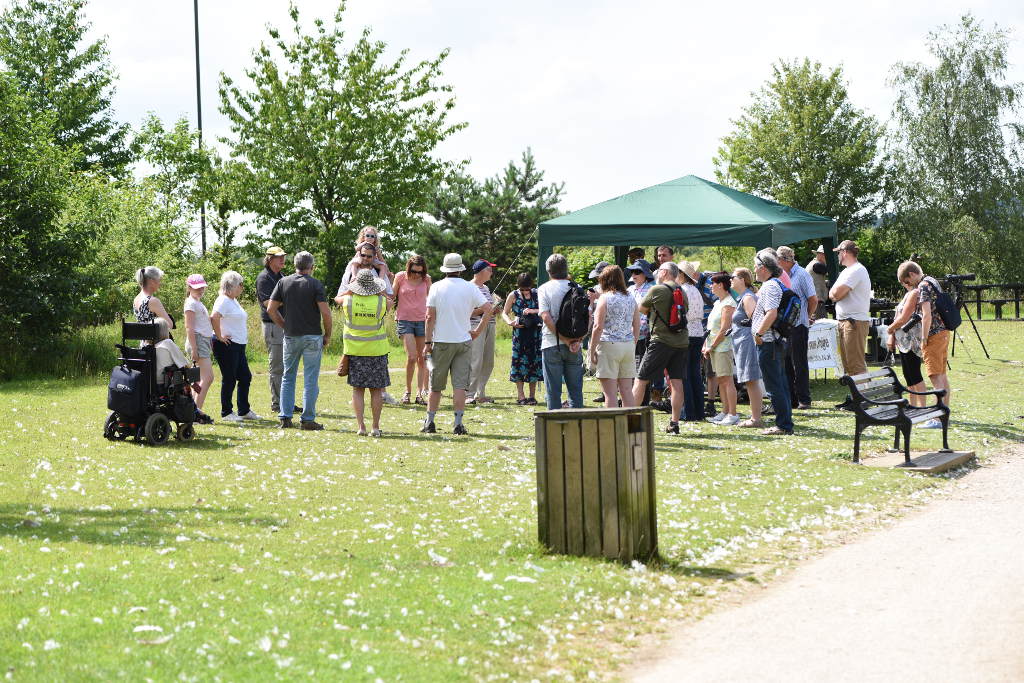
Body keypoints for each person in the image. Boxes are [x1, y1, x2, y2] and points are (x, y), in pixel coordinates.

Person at [421, 253, 494, 435]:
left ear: (445, 269)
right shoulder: (469, 287)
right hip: (464, 340)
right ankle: (458, 423)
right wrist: (477, 331)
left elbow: (429, 317)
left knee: (435, 386)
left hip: (441, 341)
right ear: (460, 269)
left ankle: (430, 422)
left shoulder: (437, 287)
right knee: (460, 386)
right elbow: (488, 309)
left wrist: (427, 341)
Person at [270, 251, 332, 430]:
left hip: (290, 336)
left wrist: (284, 325)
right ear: (312, 267)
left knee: (288, 377)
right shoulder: (315, 284)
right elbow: (326, 313)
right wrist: (327, 335)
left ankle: (285, 417)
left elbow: (271, 309)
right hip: (312, 336)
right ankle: (307, 419)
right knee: (310, 379)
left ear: (295, 266)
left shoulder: (283, 282)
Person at [631, 261, 688, 433]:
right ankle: (674, 423)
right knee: (676, 382)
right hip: (682, 341)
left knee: (641, 379)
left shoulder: (657, 289)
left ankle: (631, 421)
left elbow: (641, 308)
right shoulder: (682, 291)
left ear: (664, 272)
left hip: (661, 341)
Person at [338, 268, 391, 436]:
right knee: (376, 390)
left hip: (355, 351)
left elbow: (337, 298)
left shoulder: (348, 300)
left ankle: (361, 427)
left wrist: (349, 289)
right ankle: (375, 427)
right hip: (377, 351)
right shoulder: (381, 302)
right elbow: (390, 300)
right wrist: (381, 291)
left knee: (358, 390)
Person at [897, 261, 951, 424]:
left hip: (933, 335)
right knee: (942, 376)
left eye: (906, 281)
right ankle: (944, 415)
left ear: (912, 275)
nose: (908, 285)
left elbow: (926, 315)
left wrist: (924, 338)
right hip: (944, 332)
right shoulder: (933, 281)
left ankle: (937, 418)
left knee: (935, 378)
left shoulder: (923, 286)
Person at [751, 249, 794, 435]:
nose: (754, 270)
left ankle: (783, 425)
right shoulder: (775, 284)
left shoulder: (769, 287)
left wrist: (759, 334)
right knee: (781, 382)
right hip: (775, 341)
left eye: (755, 266)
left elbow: (771, 313)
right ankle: (785, 421)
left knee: (773, 384)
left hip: (768, 341)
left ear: (763, 268)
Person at [538, 253, 588, 410]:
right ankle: (578, 426)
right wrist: (578, 340)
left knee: (553, 391)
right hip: (575, 344)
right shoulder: (577, 287)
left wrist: (563, 339)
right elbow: (588, 317)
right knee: (575, 391)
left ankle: (554, 429)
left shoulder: (544, 289)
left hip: (552, 343)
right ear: (566, 269)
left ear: (548, 271)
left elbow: (546, 317)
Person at [210, 271, 260, 423]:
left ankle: (243, 410)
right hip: (226, 345)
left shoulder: (233, 300)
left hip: (238, 345)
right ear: (232, 286)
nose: (242, 287)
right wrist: (219, 336)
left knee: (245, 376)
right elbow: (214, 317)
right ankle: (226, 412)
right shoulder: (223, 300)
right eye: (240, 284)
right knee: (229, 378)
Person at [588, 265, 639, 408]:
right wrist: (632, 343)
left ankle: (612, 429)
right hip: (628, 345)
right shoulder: (631, 297)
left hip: (609, 345)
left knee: (610, 394)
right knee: (627, 391)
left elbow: (598, 327)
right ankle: (631, 427)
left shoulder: (605, 298)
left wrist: (592, 351)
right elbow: (637, 324)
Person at [778, 246, 818, 409]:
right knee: (786, 362)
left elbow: (813, 299)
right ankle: (792, 399)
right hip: (786, 326)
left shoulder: (802, 274)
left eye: (778, 261)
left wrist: (806, 316)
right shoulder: (782, 275)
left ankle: (804, 399)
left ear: (784, 261)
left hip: (799, 325)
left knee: (799, 363)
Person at [392, 255, 431, 404]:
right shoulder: (400, 277)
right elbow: (392, 296)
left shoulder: (426, 279)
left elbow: (432, 298)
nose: (417, 275)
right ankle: (407, 392)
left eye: (420, 272)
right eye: (414, 271)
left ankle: (419, 393)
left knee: (422, 358)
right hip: (405, 320)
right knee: (412, 357)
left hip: (422, 320)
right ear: (409, 268)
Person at [829, 239, 871, 377]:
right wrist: (835, 294)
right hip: (847, 321)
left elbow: (835, 293)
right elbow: (832, 294)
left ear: (845, 252)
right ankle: (857, 397)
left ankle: (863, 397)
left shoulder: (857, 270)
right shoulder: (847, 271)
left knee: (856, 366)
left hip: (854, 322)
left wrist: (835, 294)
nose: (837, 256)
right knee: (849, 366)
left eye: (839, 252)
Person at [730, 268, 765, 427]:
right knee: (749, 380)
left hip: (748, 342)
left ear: (743, 279)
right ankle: (755, 416)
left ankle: (756, 418)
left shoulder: (748, 297)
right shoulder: (743, 297)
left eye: (733, 277)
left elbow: (756, 321)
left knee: (751, 380)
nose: (730, 279)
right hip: (741, 342)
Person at [502, 272, 543, 405]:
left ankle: (532, 396)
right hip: (520, 334)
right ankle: (521, 396)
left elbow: (544, 309)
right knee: (518, 364)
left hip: (536, 334)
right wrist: (510, 322)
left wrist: (532, 311)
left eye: (527, 289)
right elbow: (504, 312)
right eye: (523, 289)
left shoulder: (537, 293)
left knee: (534, 363)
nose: (526, 292)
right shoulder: (513, 295)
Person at [256, 246, 288, 415]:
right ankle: (277, 404)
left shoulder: (281, 276)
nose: (282, 259)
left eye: (283, 256)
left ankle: (286, 401)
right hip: (272, 326)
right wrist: (289, 298)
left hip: (283, 324)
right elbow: (268, 304)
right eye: (278, 257)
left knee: (286, 366)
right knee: (276, 367)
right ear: (269, 259)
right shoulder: (264, 278)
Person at [886, 276, 926, 408]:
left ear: (906, 280)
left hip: (912, 341)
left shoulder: (915, 293)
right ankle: (913, 405)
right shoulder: (908, 294)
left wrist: (890, 329)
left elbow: (904, 318)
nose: (902, 284)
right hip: (903, 341)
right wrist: (892, 335)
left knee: (915, 374)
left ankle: (922, 407)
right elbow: (898, 317)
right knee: (908, 375)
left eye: (902, 281)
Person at [703, 273, 738, 425]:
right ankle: (725, 411)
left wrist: (711, 346)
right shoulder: (718, 302)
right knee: (720, 379)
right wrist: (707, 345)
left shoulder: (728, 303)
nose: (711, 286)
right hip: (714, 346)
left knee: (727, 380)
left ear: (721, 285)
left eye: (713, 283)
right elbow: (712, 328)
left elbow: (724, 329)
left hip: (723, 347)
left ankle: (733, 413)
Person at [678, 261, 708, 421]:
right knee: (695, 374)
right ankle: (699, 411)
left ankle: (688, 412)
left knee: (685, 374)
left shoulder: (682, 290)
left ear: (682, 275)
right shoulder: (696, 290)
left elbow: (683, 314)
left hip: (687, 333)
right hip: (698, 333)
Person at [182, 274, 215, 423]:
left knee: (202, 379)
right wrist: (194, 348)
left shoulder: (197, 302)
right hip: (197, 341)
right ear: (189, 288)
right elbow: (189, 327)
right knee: (208, 377)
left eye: (202, 287)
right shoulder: (190, 303)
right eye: (197, 288)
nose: (201, 290)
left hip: (203, 340)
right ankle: (196, 413)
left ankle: (194, 410)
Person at [467, 259, 499, 404]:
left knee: (488, 361)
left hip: (490, 325)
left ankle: (481, 394)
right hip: (475, 326)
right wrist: (486, 309)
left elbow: (489, 310)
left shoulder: (485, 288)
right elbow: (467, 313)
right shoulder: (468, 287)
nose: (491, 273)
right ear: (481, 272)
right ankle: (469, 394)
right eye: (489, 270)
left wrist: (494, 310)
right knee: (476, 360)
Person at [625, 259, 656, 399]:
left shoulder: (651, 288)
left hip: (644, 336)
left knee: (642, 370)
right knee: (630, 369)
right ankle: (631, 397)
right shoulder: (629, 289)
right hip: (629, 336)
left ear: (645, 274)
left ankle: (642, 400)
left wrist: (636, 332)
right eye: (632, 271)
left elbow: (645, 314)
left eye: (637, 271)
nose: (633, 274)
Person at [338, 226, 394, 295]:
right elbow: (356, 249)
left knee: (382, 266)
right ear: (363, 236)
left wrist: (386, 271)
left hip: (374, 262)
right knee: (354, 263)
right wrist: (364, 244)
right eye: (367, 235)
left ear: (375, 238)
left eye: (372, 236)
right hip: (358, 260)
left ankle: (380, 279)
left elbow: (381, 260)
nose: (369, 238)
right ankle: (354, 276)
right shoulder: (362, 245)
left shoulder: (376, 248)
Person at [806, 245, 829, 320]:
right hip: (817, 304)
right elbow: (832, 272)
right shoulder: (817, 265)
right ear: (822, 255)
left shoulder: (814, 264)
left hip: (813, 302)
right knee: (823, 329)